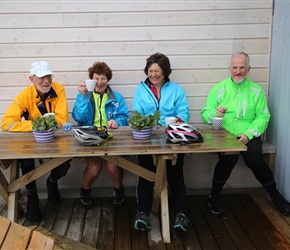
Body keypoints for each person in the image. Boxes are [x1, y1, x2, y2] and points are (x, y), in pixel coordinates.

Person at [201, 51, 290, 216]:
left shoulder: (256, 91)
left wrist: (248, 134)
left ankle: (275, 195)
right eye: (235, 67)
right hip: (225, 135)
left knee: (254, 158)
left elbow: (263, 116)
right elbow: (205, 113)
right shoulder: (219, 89)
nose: (238, 71)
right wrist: (215, 114)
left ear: (249, 68)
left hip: (248, 134)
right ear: (230, 68)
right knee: (229, 157)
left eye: (242, 67)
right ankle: (214, 195)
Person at [1, 61, 71, 222]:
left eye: (48, 76)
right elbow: (7, 123)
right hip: (31, 139)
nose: (46, 81)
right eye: (41, 77)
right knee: (25, 160)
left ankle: (52, 181)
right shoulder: (24, 95)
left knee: (67, 158)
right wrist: (36, 125)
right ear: (31, 79)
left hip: (55, 137)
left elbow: (61, 119)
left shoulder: (59, 89)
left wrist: (43, 124)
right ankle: (32, 198)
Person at [132, 53, 190, 232]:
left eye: (157, 71)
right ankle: (142, 213)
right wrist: (145, 122)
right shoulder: (140, 90)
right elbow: (136, 113)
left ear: (165, 72)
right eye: (151, 71)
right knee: (145, 174)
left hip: (172, 138)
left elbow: (184, 112)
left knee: (175, 175)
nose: (154, 74)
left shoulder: (176, 90)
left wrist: (177, 120)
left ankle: (181, 214)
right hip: (147, 138)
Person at [72, 61, 129, 209]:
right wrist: (82, 96)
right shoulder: (86, 96)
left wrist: (117, 122)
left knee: (113, 167)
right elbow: (78, 117)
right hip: (90, 137)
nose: (99, 82)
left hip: (111, 137)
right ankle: (85, 190)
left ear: (108, 79)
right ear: (91, 79)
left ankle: (118, 190)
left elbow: (124, 117)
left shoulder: (117, 97)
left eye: (103, 78)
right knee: (95, 167)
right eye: (96, 78)